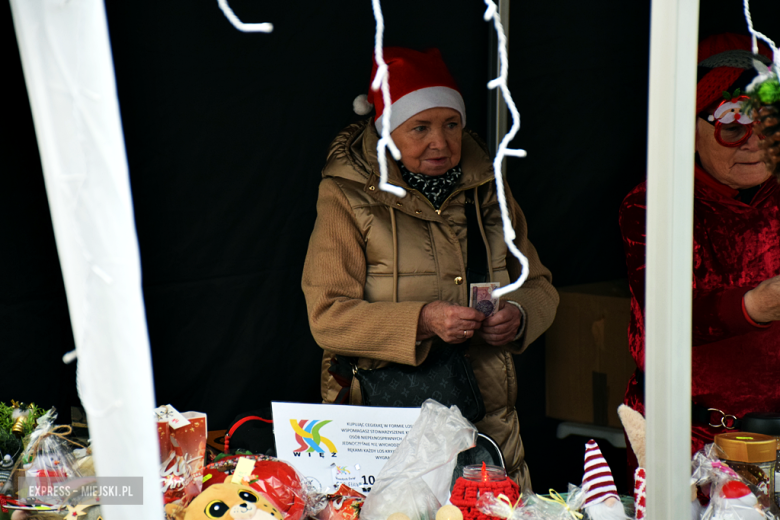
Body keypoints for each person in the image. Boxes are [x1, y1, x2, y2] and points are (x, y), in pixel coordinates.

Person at [301, 47, 559, 488]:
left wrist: (519, 316)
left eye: (451, 124)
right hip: (389, 434)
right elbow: (328, 317)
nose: (440, 142)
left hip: (489, 427)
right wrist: (422, 321)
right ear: (386, 133)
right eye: (420, 127)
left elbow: (539, 286)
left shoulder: (489, 191)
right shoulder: (346, 196)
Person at [620, 33, 780, 476]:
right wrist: (756, 305)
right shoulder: (654, 204)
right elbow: (670, 314)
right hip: (689, 436)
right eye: (733, 128)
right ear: (689, 129)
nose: (754, 143)